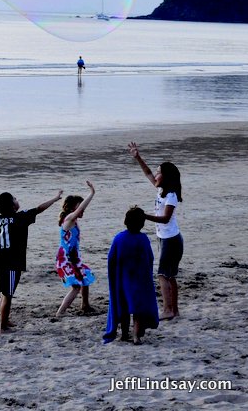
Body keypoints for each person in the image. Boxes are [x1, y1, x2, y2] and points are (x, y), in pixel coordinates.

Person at [0, 189, 62, 333]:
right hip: (12, 262)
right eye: (15, 198)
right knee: (8, 294)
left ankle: (5, 319)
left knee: (5, 292)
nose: (17, 200)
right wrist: (55, 199)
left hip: (0, 261)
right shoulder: (20, 217)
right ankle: (2, 326)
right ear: (12, 205)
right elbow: (39, 209)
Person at [127, 141, 183, 320]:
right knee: (170, 275)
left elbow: (166, 218)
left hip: (171, 239)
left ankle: (167, 310)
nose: (156, 174)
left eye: (159, 172)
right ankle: (174, 310)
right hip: (164, 237)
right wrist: (138, 157)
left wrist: (144, 216)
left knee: (162, 275)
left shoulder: (171, 195)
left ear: (166, 176)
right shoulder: (161, 190)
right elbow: (148, 173)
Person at [103, 206, 160, 344]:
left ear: (126, 221)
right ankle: (136, 336)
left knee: (123, 307)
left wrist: (114, 276)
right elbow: (149, 258)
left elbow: (111, 259)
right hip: (139, 280)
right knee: (138, 309)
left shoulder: (119, 238)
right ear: (142, 223)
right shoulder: (143, 239)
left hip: (122, 279)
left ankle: (124, 334)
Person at [54, 181, 97, 317]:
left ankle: (85, 305)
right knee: (76, 287)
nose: (82, 209)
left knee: (85, 276)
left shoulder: (73, 220)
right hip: (65, 259)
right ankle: (60, 312)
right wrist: (92, 193)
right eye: (80, 206)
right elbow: (79, 209)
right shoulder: (69, 219)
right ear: (73, 208)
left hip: (73, 258)